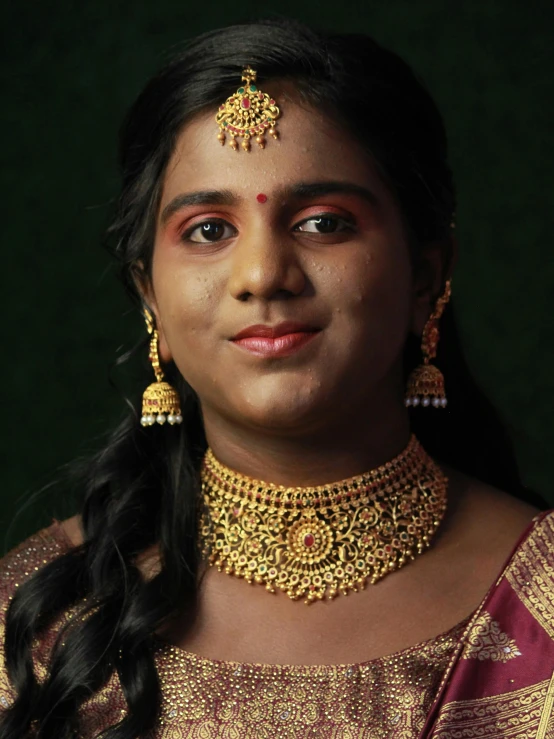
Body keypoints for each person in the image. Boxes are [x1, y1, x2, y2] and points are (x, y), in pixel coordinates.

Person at [1, 17, 553, 739]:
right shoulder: (42, 610)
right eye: (208, 229)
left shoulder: (540, 600)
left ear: (426, 276)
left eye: (323, 222)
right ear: (149, 296)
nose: (263, 274)